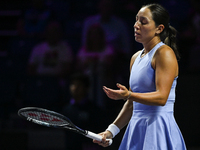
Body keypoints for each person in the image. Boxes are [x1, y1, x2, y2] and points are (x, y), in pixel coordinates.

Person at [93, 3, 187, 150]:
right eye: (136, 20)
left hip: (158, 128)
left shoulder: (164, 53)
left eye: (143, 22)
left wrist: (128, 94)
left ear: (159, 28)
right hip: (135, 129)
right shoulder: (135, 58)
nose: (136, 25)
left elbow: (162, 98)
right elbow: (131, 104)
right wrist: (111, 131)